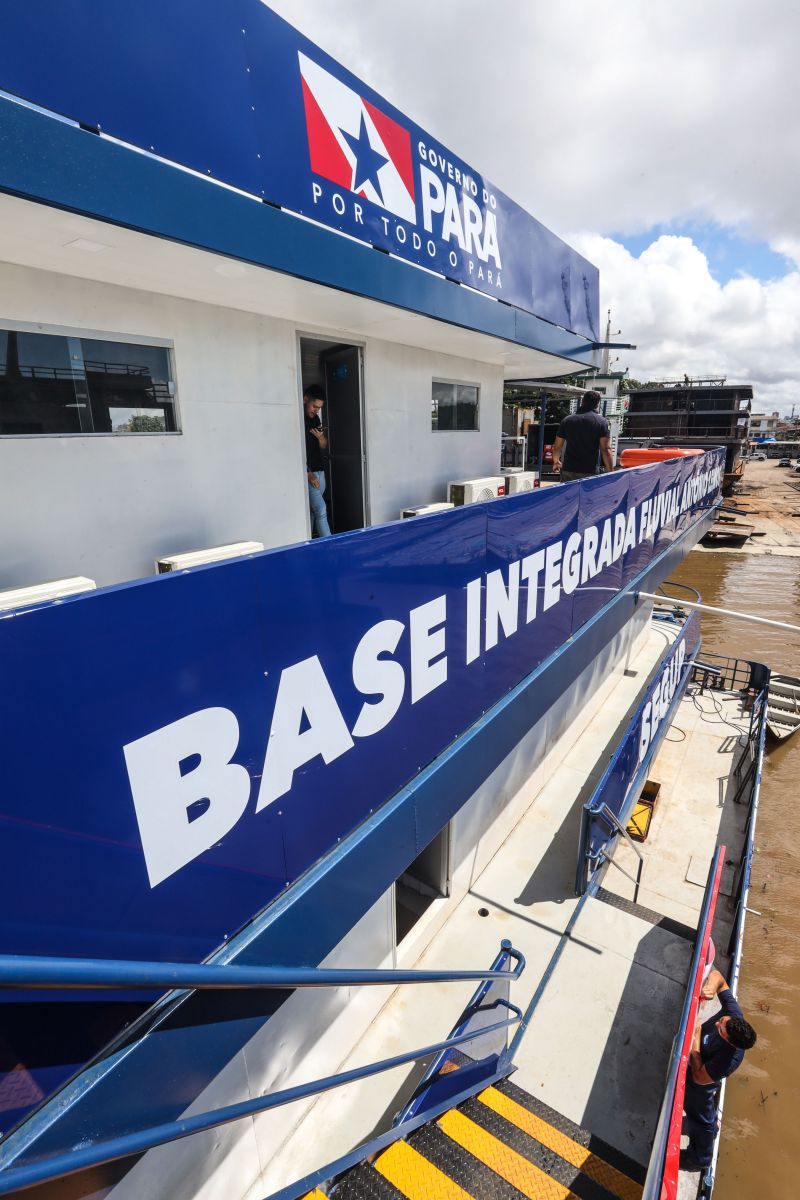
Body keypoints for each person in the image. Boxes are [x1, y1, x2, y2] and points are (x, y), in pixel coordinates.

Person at [682, 968, 757, 1172]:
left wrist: (696, 1038)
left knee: (701, 1119)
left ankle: (698, 1159)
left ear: (729, 1041)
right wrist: (710, 988)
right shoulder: (734, 1014)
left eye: (720, 1028)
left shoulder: (728, 1060)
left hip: (702, 1083)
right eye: (722, 1020)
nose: (717, 1022)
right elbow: (719, 978)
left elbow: (699, 1077)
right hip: (697, 1067)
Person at [551, 390, 613, 480]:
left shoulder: (567, 420)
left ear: (583, 402)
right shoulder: (602, 422)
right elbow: (606, 449)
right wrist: (611, 472)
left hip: (569, 470)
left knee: (568, 490)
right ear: (597, 404)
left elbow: (557, 447)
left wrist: (556, 462)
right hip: (589, 471)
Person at [303, 384, 331, 538]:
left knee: (313, 512)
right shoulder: (299, 419)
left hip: (320, 471)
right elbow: (294, 450)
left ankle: (310, 543)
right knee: (321, 509)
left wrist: (320, 437)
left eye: (319, 408)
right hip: (310, 473)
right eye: (314, 406)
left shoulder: (316, 419)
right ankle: (331, 545)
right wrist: (307, 473)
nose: (316, 410)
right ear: (305, 399)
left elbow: (323, 446)